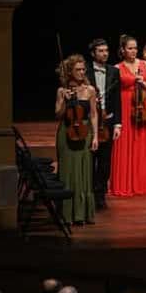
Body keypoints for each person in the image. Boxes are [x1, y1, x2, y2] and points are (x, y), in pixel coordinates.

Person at [55, 54, 98, 224]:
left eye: (83, 69)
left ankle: (82, 214)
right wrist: (64, 102)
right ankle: (66, 214)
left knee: (84, 171)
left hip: (84, 133)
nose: (81, 72)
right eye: (77, 70)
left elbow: (94, 115)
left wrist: (95, 136)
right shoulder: (62, 90)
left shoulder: (90, 90)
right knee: (67, 172)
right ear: (70, 72)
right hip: (66, 133)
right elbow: (58, 115)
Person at [111, 35, 146, 197]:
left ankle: (141, 184)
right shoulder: (116, 67)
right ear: (123, 50)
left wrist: (142, 82)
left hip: (142, 107)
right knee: (125, 144)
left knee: (141, 145)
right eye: (130, 48)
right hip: (124, 107)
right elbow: (114, 93)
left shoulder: (145, 64)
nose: (133, 51)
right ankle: (124, 184)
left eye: (135, 48)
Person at [86, 38, 122, 210]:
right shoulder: (84, 71)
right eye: (100, 51)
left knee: (105, 161)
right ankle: (89, 192)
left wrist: (118, 124)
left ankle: (100, 194)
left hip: (108, 120)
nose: (105, 53)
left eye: (106, 50)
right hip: (90, 121)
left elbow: (117, 100)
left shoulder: (114, 71)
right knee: (90, 158)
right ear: (93, 53)